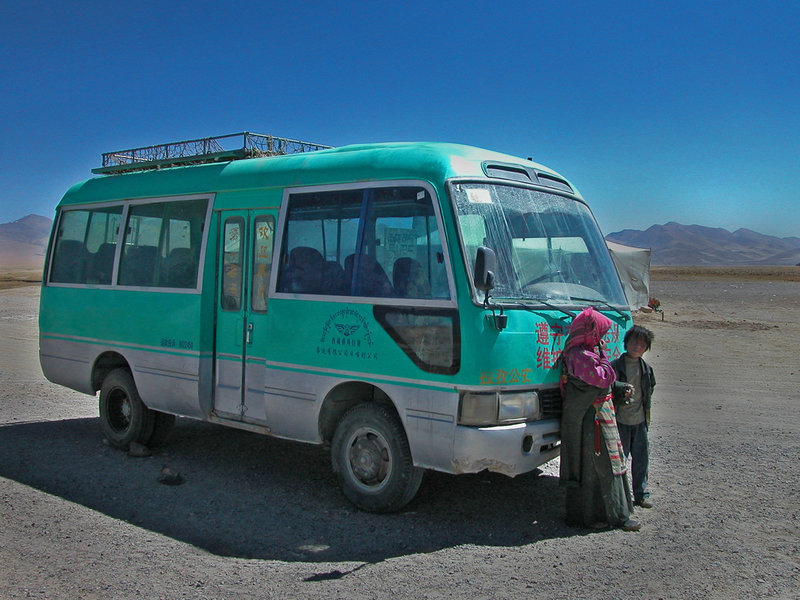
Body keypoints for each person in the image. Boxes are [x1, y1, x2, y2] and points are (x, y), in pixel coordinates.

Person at [559, 307, 640, 531]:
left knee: (600, 465)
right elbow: (603, 379)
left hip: (594, 416)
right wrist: (604, 356)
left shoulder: (582, 352)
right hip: (592, 420)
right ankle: (616, 516)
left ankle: (591, 515)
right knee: (605, 465)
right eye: (599, 334)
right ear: (589, 332)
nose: (601, 339)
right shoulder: (581, 356)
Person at [612, 325, 656, 509]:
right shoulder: (615, 367)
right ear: (626, 343)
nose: (637, 346)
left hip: (640, 422)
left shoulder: (647, 370)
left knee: (641, 460)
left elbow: (649, 391)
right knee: (619, 461)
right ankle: (621, 497)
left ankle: (641, 495)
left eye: (641, 344)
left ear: (646, 348)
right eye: (633, 342)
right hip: (620, 421)